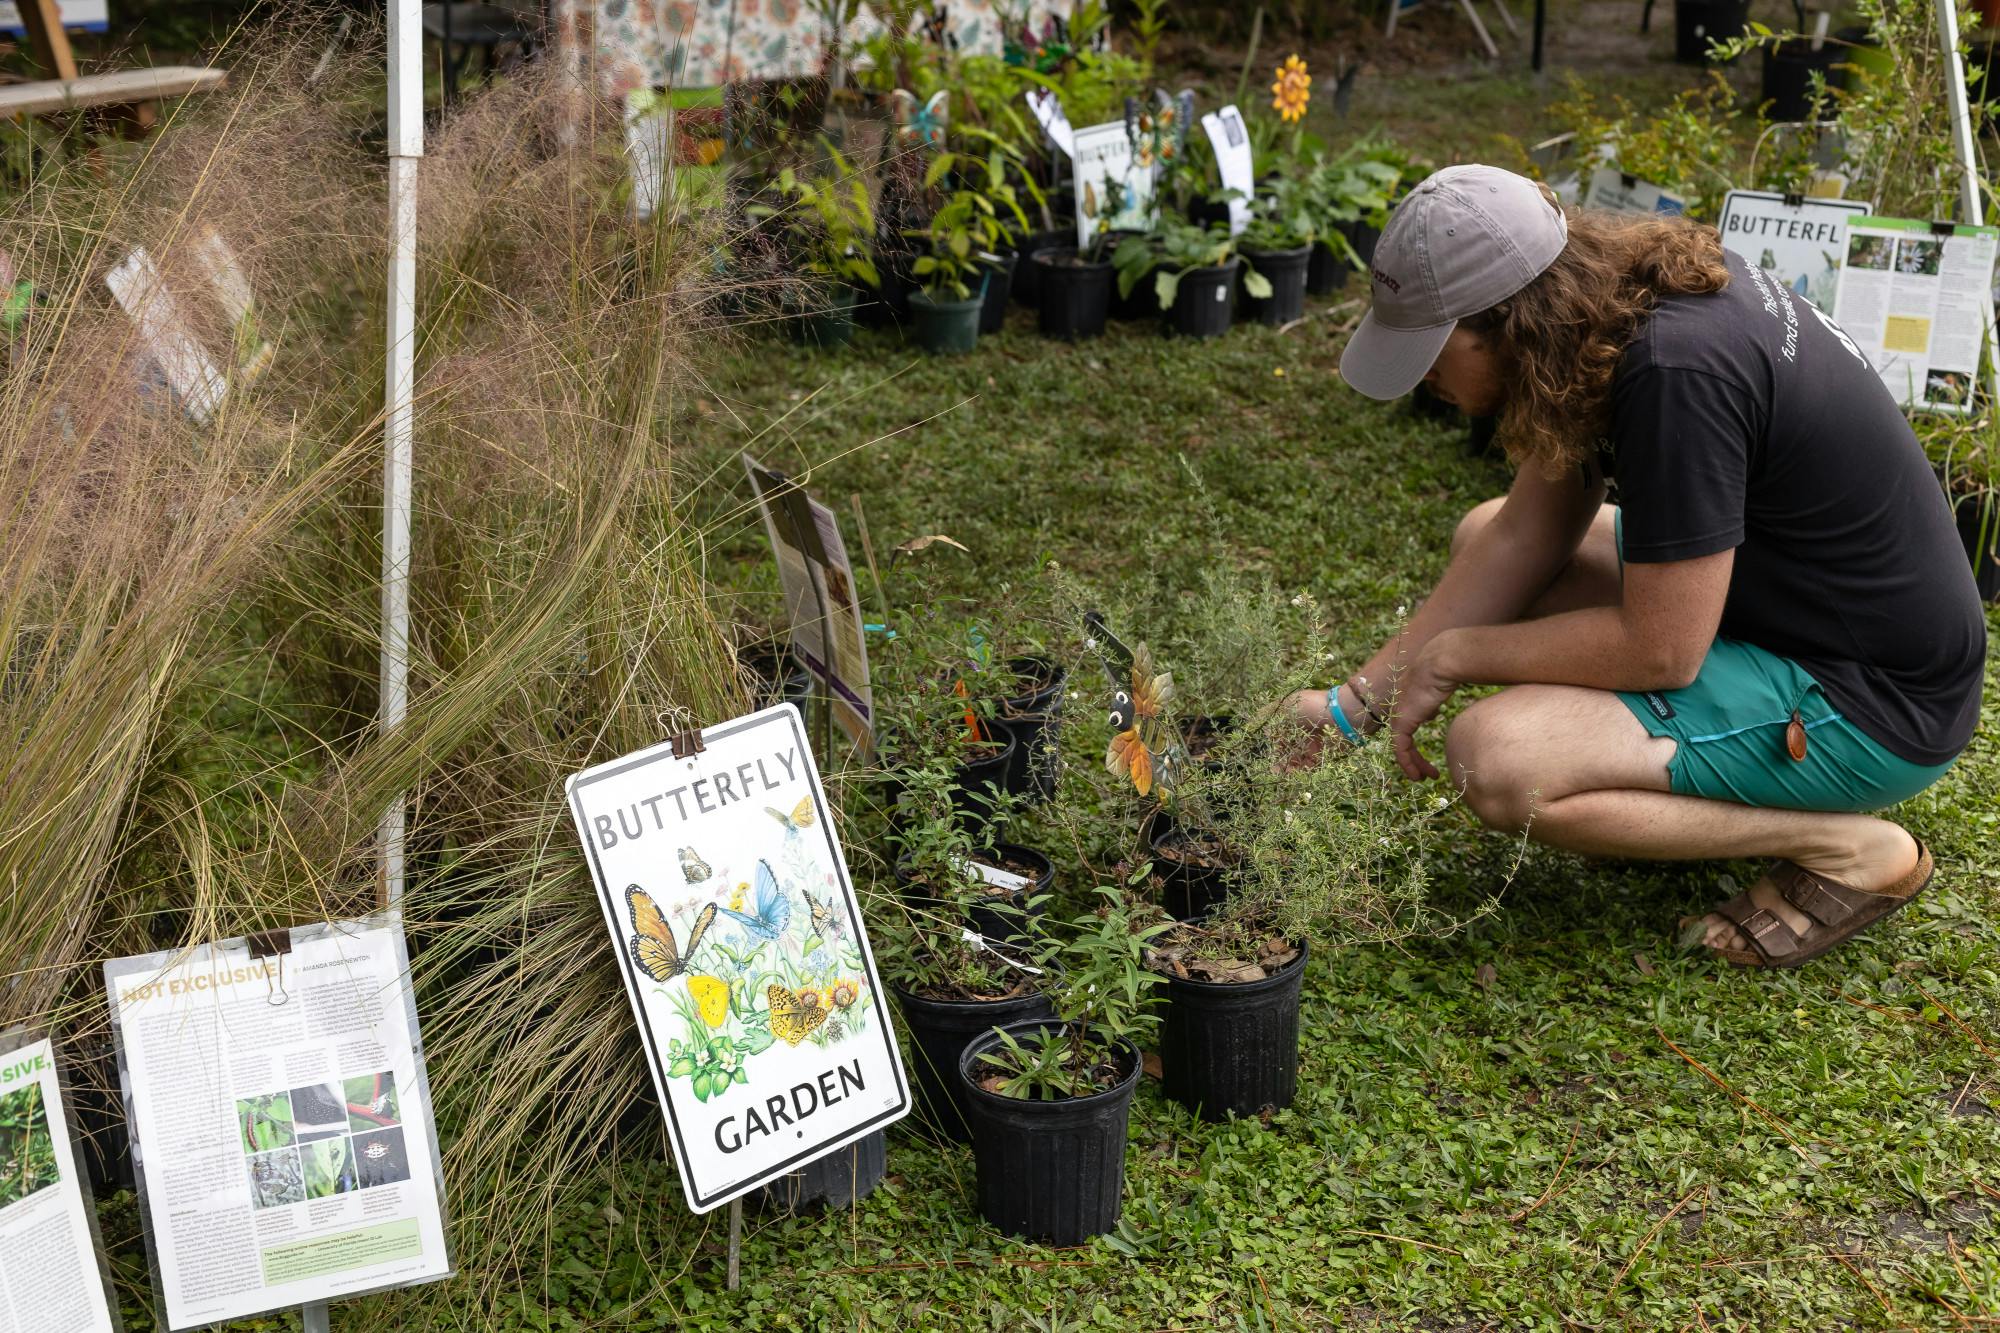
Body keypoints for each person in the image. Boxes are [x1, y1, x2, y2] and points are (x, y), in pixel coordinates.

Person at [1292, 164, 1985, 968]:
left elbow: (1662, 649)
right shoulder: (1608, 311)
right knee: (1483, 531)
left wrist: (1457, 656)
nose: (1427, 380)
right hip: (1795, 613)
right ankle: (1676, 769)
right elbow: (1523, 534)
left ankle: (1845, 846)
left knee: (1499, 760)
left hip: (1875, 703)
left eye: (1434, 351)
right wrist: (1351, 709)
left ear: (1506, 320)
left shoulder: (1676, 373)